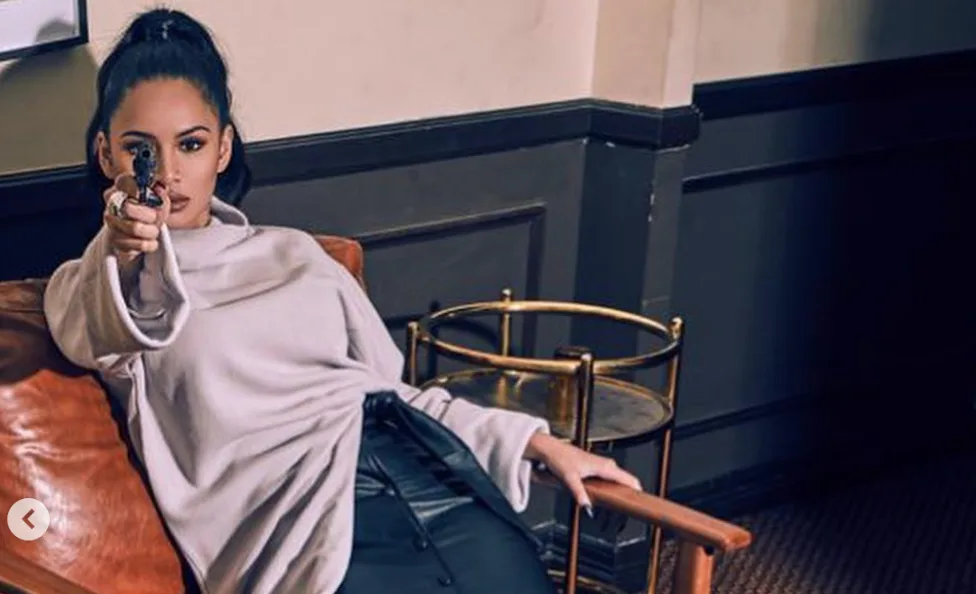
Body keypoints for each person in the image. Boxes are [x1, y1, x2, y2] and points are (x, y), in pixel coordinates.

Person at [43, 8, 642, 594]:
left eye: (192, 144)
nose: (169, 172)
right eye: (141, 150)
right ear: (106, 155)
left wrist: (534, 442)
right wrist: (123, 243)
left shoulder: (294, 253)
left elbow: (385, 394)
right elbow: (97, 327)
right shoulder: (106, 284)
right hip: (309, 539)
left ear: (222, 149)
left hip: (430, 482)